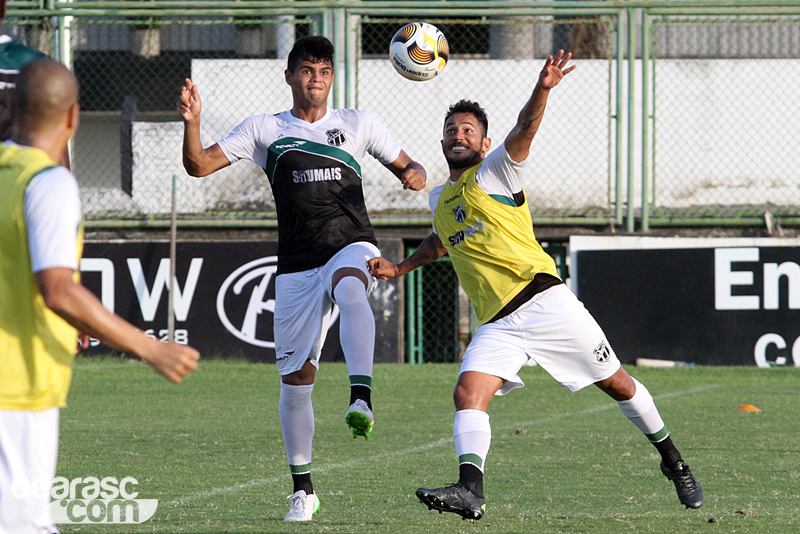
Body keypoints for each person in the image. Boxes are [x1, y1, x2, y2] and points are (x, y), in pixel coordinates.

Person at [368, 50, 703, 521]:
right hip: (499, 323)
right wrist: (399, 269)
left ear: (484, 144)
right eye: (451, 130)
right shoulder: (440, 198)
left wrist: (542, 88)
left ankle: (674, 461)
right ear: (442, 142)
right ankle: (470, 489)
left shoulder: (496, 171)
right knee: (467, 393)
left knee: (620, 386)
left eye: (468, 130)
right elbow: (441, 242)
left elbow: (524, 130)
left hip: (546, 302)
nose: (458, 134)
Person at [179, 35, 426, 522]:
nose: (317, 79)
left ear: (332, 79)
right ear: (290, 76)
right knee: (296, 381)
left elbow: (408, 164)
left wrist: (414, 174)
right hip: (296, 263)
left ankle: (362, 398)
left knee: (353, 285)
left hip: (350, 244)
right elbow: (198, 165)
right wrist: (192, 123)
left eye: (324, 72)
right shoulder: (264, 129)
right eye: (308, 70)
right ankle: (303, 490)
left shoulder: (358, 124)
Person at [0, 59, 200, 533]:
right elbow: (58, 290)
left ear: (9, 108)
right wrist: (151, 347)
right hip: (17, 391)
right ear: (73, 117)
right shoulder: (47, 183)